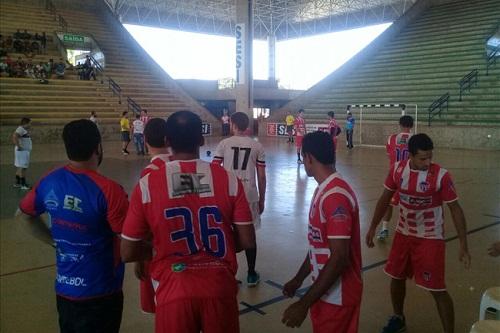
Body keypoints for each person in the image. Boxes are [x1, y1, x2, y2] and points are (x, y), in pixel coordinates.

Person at [121, 110, 257, 333]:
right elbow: (248, 241)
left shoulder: (148, 183)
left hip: (173, 290)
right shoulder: (228, 180)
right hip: (219, 287)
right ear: (202, 139)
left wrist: (160, 249)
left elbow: (127, 252)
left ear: (167, 141)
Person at [17, 119, 129, 333]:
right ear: (98, 147)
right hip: (102, 290)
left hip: (65, 289)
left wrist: (54, 242)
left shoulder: (50, 180)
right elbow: (129, 241)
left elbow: (25, 216)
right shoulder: (110, 190)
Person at [365, 133, 471, 333]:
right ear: (410, 156)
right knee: (396, 277)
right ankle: (398, 318)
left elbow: (455, 209)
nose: (428, 162)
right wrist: (372, 227)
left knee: (437, 288)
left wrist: (464, 244)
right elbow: (384, 199)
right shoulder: (397, 170)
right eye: (423, 158)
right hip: (403, 233)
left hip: (430, 237)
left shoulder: (441, 175)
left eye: (430, 157)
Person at [282, 131, 362, 333]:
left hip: (338, 296)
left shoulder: (335, 197)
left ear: (308, 157)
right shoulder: (322, 190)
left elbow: (339, 258)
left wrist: (304, 303)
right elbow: (319, 246)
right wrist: (299, 278)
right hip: (325, 292)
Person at [213, 112, 266, 286]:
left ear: (233, 125)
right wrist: (262, 198)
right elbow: (261, 175)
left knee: (227, 235)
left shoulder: (224, 144)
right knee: (249, 235)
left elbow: (214, 169)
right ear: (247, 126)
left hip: (228, 194)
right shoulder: (256, 146)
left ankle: (229, 274)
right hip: (249, 194)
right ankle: (251, 273)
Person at [133, 118, 172, 314]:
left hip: (160, 250)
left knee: (164, 306)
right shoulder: (182, 166)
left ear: (145, 139)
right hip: (187, 246)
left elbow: (145, 221)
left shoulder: (149, 173)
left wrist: (140, 258)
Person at [377, 115, 414, 241]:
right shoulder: (415, 140)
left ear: (400, 124)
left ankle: (384, 229)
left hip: (393, 176)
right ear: (412, 125)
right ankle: (410, 230)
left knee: (388, 203)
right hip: (409, 176)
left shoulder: (391, 138)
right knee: (410, 204)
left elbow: (390, 155)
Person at [12, 118, 33, 190]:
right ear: (25, 123)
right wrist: (19, 146)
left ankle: (17, 183)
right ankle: (23, 184)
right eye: (30, 123)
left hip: (22, 151)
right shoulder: (20, 129)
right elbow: (14, 136)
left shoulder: (22, 129)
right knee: (23, 168)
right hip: (22, 151)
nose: (30, 125)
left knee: (19, 166)